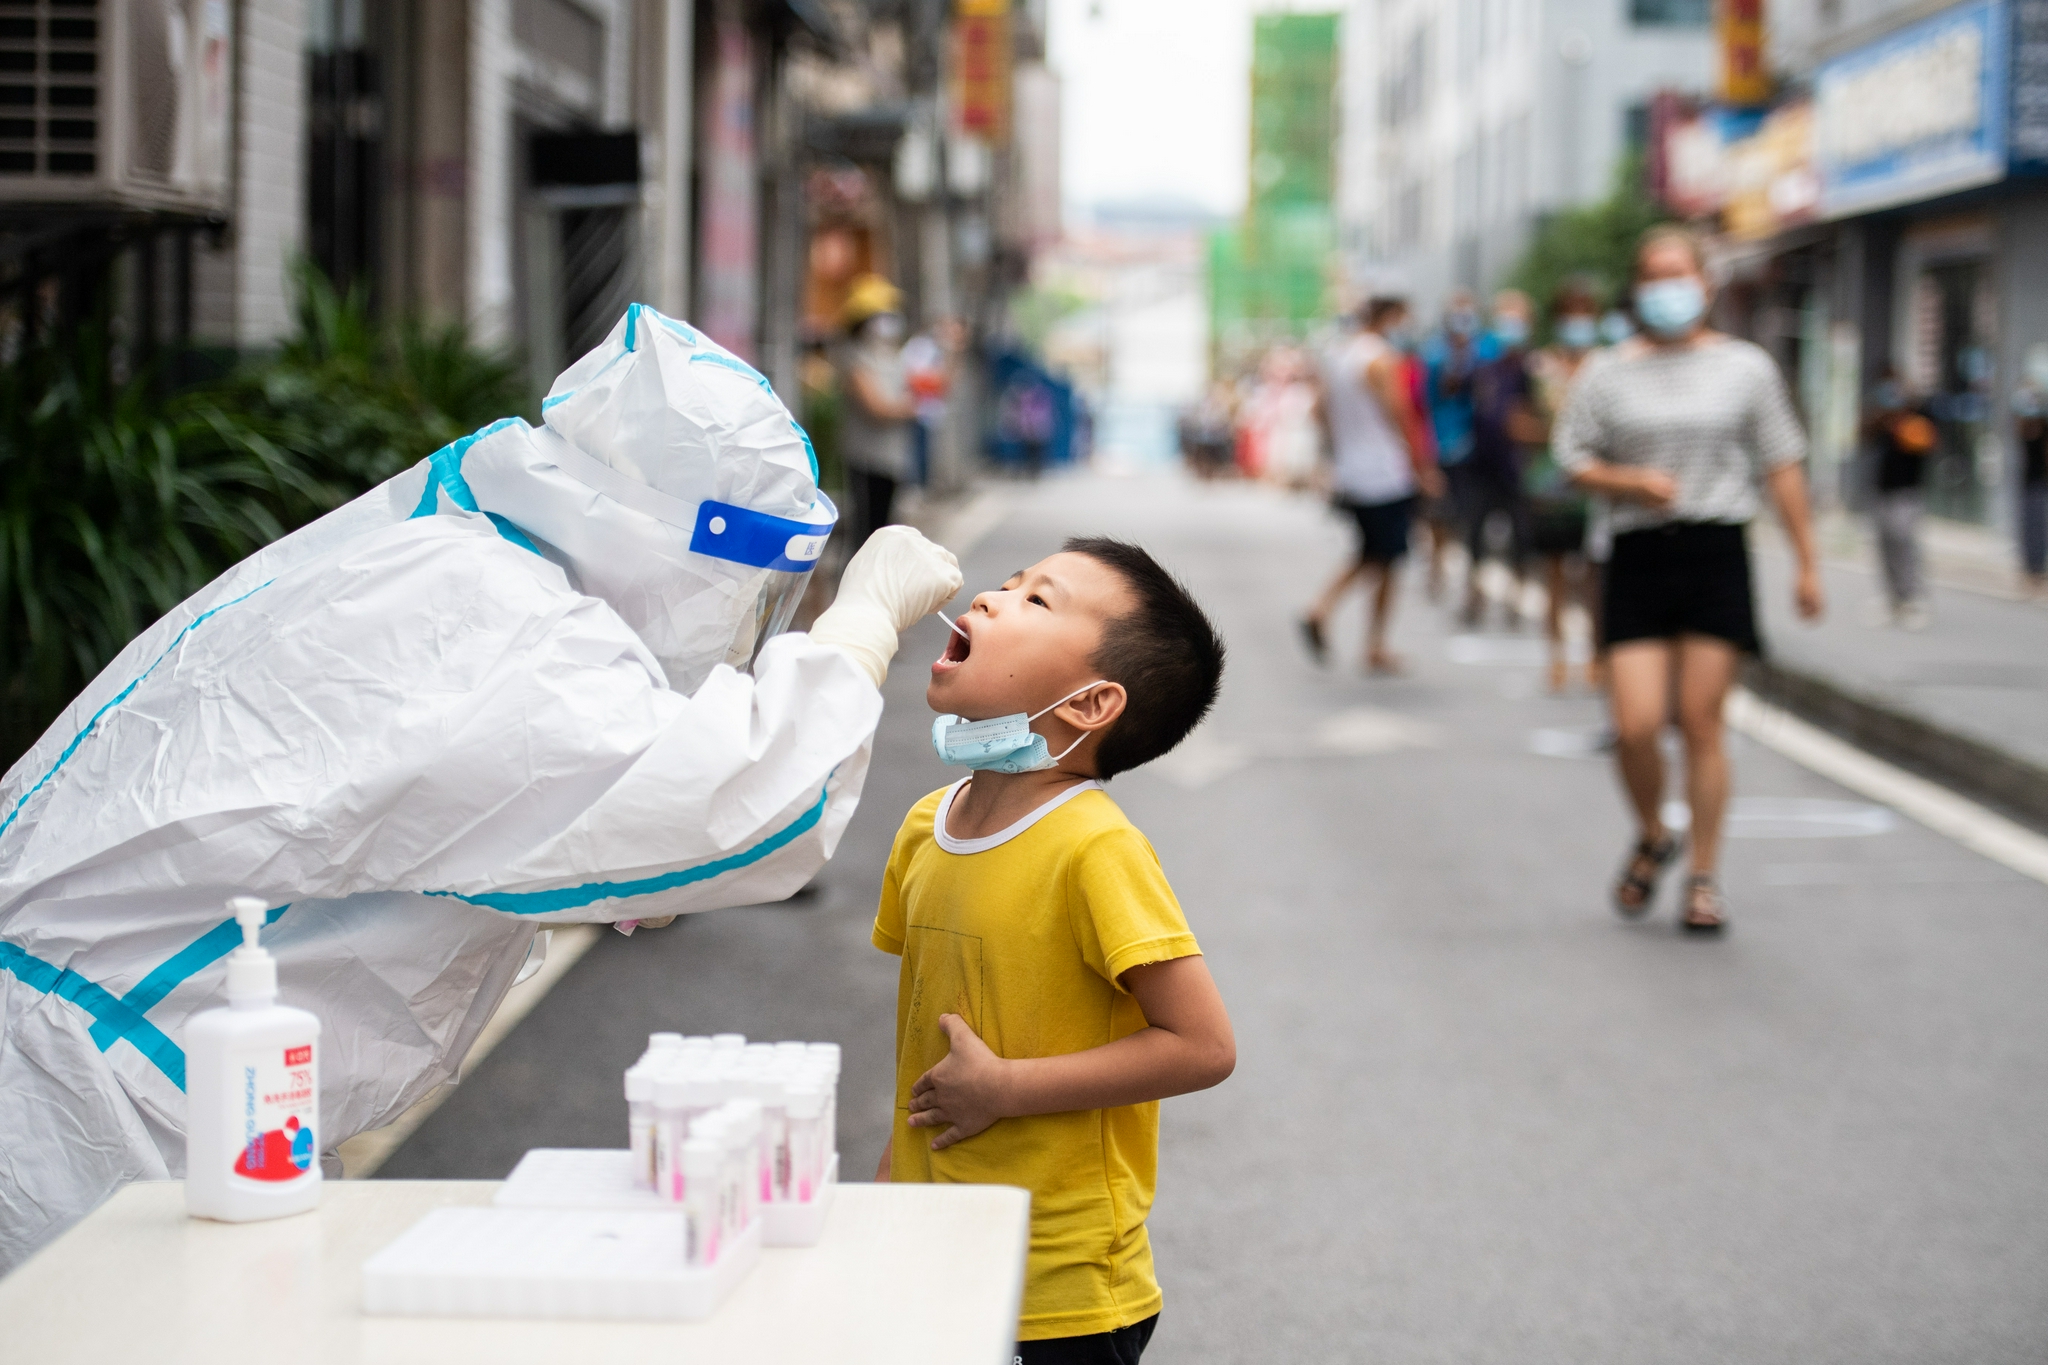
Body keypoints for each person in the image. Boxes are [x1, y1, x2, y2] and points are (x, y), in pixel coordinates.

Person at [0, 302, 964, 1272]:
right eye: (748, 586)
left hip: (159, 1080)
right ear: (668, 544)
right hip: (97, 1110)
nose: (745, 618)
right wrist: (863, 620)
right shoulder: (500, 630)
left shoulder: (460, 562)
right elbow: (754, 799)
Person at [874, 537, 1234, 1362]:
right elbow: (926, 1050)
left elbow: (1203, 1045)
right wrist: (889, 1191)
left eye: (1036, 599)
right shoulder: (927, 826)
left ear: (1089, 703)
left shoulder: (1094, 848)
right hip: (931, 1254)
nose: (990, 597)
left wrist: (1005, 1088)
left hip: (1057, 1290)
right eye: (1007, 583)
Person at [1554, 226, 1824, 934]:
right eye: (1653, 275)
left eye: (1678, 274)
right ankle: (1653, 832)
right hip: (1637, 550)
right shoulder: (1606, 372)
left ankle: (1703, 877)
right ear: (1637, 287)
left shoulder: (1745, 368)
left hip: (1715, 548)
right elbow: (1571, 459)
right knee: (1635, 723)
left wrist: (1807, 561)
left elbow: (1782, 461)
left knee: (1703, 722)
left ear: (1705, 283)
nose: (1666, 288)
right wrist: (1630, 482)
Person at [1300, 296, 1446, 673]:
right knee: (1385, 556)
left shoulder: (1339, 357)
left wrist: (1339, 453)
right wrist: (1422, 465)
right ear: (1389, 317)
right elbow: (1401, 414)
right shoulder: (1381, 359)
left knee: (1375, 552)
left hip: (1353, 472)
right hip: (1386, 474)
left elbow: (1319, 412)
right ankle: (1350, 627)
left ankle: (1355, 630)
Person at [1523, 279, 1604, 690]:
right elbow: (1517, 421)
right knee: (1554, 574)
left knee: (1593, 578)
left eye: (1584, 312)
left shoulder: (1608, 364)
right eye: (1570, 313)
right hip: (1551, 485)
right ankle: (1556, 656)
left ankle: (1595, 656)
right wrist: (1554, 437)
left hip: (1598, 488)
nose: (1578, 321)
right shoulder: (1538, 367)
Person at [1460, 290, 1538, 628]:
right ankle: (1474, 596)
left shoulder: (1534, 370)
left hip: (1518, 468)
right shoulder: (1484, 367)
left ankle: (1515, 599)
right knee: (1475, 533)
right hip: (1482, 463)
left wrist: (1528, 432)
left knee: (1521, 537)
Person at [1420, 289, 1496, 597]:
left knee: (1474, 517)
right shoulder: (1435, 353)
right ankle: (1436, 567)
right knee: (1439, 513)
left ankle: (1472, 584)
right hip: (1443, 444)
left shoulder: (1487, 350)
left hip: (1478, 447)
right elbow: (1427, 401)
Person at [836, 273, 918, 545]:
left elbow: (933, 385)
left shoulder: (895, 355)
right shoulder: (855, 356)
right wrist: (910, 407)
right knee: (867, 532)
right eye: (880, 315)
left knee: (885, 530)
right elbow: (877, 409)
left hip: (894, 458)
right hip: (867, 459)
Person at [1864, 366, 1937, 628]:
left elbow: (1922, 444)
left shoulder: (1917, 420)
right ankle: (1891, 598)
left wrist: (1899, 421)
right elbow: (1863, 435)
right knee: (1885, 547)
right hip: (1882, 492)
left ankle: (1913, 599)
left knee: (1905, 546)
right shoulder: (1881, 420)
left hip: (1907, 494)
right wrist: (1881, 419)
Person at [2014, 368, 2048, 597]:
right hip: (2028, 483)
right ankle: (2030, 571)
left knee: (2039, 527)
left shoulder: (2044, 427)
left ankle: (2038, 571)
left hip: (2040, 483)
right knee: (2029, 528)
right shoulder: (2024, 427)